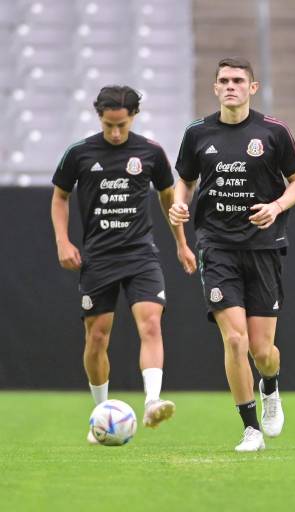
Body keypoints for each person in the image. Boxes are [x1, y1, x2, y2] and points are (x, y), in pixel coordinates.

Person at [169, 57, 295, 452]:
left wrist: (277, 206)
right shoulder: (197, 133)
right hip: (217, 248)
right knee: (234, 340)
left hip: (263, 248)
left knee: (263, 352)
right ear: (215, 88)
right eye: (224, 81)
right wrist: (180, 205)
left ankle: (271, 387)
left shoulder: (274, 131)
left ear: (253, 87)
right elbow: (185, 181)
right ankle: (251, 430)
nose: (230, 86)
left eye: (238, 80)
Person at [51, 85, 196, 443]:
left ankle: (152, 401)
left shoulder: (149, 152)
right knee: (97, 337)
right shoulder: (80, 153)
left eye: (122, 125)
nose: (115, 133)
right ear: (98, 117)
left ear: (134, 116)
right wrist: (63, 240)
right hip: (98, 257)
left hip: (140, 255)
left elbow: (167, 197)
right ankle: (99, 414)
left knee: (150, 324)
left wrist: (181, 243)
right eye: (108, 125)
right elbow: (60, 196)